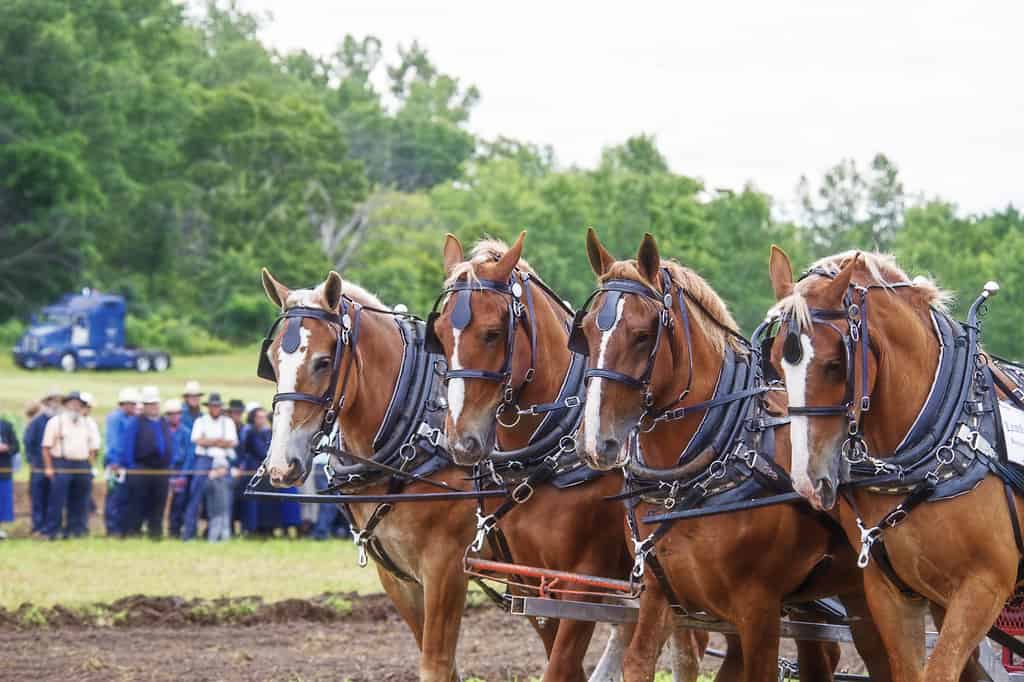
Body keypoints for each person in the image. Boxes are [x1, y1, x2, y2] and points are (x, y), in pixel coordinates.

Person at [41, 392, 100, 539]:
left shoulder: (88, 423)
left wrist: (89, 465)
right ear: (66, 405)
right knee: (57, 500)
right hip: (62, 462)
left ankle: (77, 530)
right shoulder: (56, 422)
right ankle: (52, 530)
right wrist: (49, 467)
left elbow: (94, 448)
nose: (75, 407)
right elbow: (46, 447)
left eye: (79, 404)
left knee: (81, 500)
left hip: (82, 464)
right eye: (72, 403)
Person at [118, 387, 173, 539]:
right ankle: (133, 532)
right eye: (150, 404)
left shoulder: (163, 422)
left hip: (161, 470)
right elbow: (128, 445)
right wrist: (131, 467)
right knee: (137, 503)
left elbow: (169, 443)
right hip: (141, 468)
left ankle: (155, 533)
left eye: (155, 404)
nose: (153, 407)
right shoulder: (136, 422)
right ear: (144, 406)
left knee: (158, 503)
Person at [183, 393, 237, 540]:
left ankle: (223, 534)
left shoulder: (228, 422)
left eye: (218, 406)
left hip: (223, 460)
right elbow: (197, 440)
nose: (215, 408)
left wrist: (210, 441)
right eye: (213, 406)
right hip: (204, 460)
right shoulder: (201, 421)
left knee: (225, 500)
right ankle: (189, 533)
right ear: (208, 407)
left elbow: (232, 442)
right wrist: (218, 442)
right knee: (195, 496)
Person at [23, 389, 60, 536]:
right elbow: (28, 443)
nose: (54, 404)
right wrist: (33, 462)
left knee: (53, 498)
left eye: (57, 401)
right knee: (38, 498)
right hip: (38, 467)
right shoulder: (37, 422)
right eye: (51, 401)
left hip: (57, 467)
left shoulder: (61, 422)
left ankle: (50, 527)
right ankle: (38, 527)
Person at [104, 387, 139, 536]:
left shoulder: (135, 419)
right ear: (122, 404)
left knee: (129, 497)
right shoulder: (115, 418)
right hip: (115, 464)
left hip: (131, 465)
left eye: (133, 403)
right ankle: (113, 528)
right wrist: (115, 462)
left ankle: (127, 527)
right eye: (128, 403)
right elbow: (114, 442)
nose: (131, 406)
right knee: (115, 496)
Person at [172, 381, 204, 534]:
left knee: (194, 500)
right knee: (179, 499)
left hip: (197, 464)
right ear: (186, 397)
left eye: (197, 396)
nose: (194, 399)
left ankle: (190, 530)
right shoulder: (180, 415)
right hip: (181, 465)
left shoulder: (202, 416)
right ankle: (174, 529)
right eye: (191, 396)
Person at [164, 399, 191, 537]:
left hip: (180, 471)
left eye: (177, 414)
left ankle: (175, 530)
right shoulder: (162, 430)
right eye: (172, 414)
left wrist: (183, 475)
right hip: (165, 472)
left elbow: (188, 455)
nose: (175, 416)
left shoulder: (185, 432)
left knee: (179, 504)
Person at [0, 413, 21, 540]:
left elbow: (16, 447)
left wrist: (6, 448)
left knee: (2, 501)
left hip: (3, 471)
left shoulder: (6, 426)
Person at [228, 399, 247, 534]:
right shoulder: (227, 427)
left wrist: (242, 466)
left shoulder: (244, 429)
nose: (237, 415)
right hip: (228, 467)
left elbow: (245, 451)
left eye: (239, 413)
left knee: (239, 500)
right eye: (234, 413)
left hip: (241, 468)